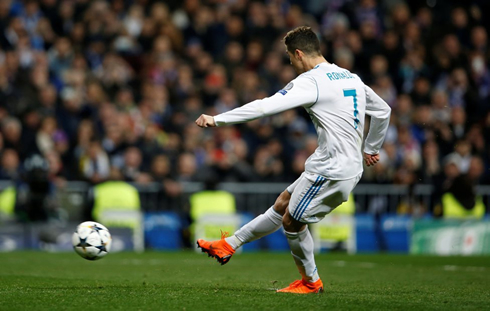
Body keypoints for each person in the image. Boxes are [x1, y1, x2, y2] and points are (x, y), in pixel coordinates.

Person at [195, 26, 391, 294]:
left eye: (289, 57)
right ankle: (228, 245)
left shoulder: (312, 81)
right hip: (337, 164)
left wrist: (217, 119)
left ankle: (311, 282)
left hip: (332, 169)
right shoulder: (350, 77)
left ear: (299, 54)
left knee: (292, 222)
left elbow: (265, 106)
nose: (290, 63)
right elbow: (383, 110)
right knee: (282, 204)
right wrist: (371, 147)